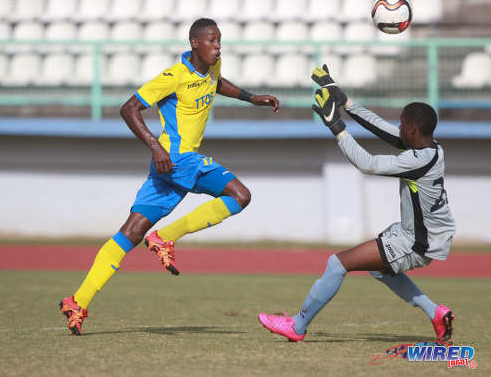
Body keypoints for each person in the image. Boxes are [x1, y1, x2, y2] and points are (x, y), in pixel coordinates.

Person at [60, 18, 279, 335]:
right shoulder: (173, 76)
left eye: (219, 41)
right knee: (239, 196)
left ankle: (77, 301)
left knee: (130, 232)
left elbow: (216, 83)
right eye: (213, 41)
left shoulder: (211, 67)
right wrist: (155, 147)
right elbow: (129, 108)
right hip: (177, 158)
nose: (218, 47)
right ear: (195, 43)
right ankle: (165, 237)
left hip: (169, 167)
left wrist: (251, 97)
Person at [258, 64, 456, 343]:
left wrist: (336, 127)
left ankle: (297, 326)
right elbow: (384, 131)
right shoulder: (432, 149)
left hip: (416, 241)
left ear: (411, 129)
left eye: (402, 124)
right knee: (379, 268)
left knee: (337, 263)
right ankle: (435, 313)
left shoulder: (416, 161)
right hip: (423, 235)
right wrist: (345, 102)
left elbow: (369, 164)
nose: (398, 128)